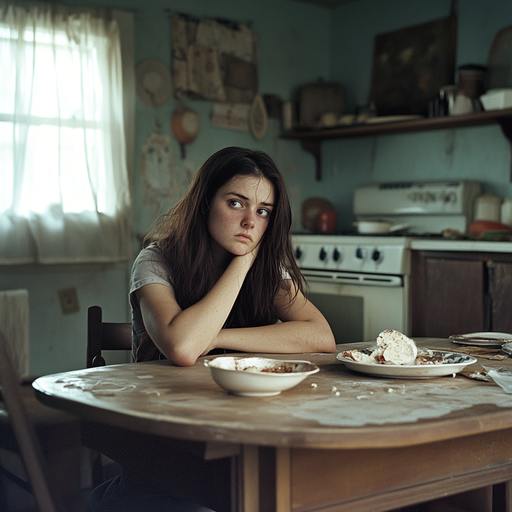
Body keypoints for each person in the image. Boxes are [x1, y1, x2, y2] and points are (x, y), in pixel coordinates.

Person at [130, 146, 335, 366]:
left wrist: (217, 337)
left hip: (240, 395)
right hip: (162, 395)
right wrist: (245, 260)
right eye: (236, 203)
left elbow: (322, 337)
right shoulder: (154, 261)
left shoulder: (265, 268)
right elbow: (183, 348)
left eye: (262, 211)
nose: (250, 222)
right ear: (206, 203)